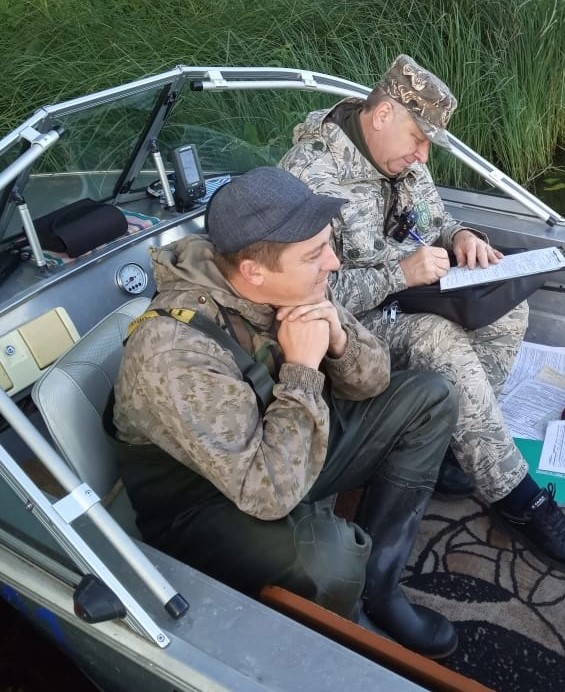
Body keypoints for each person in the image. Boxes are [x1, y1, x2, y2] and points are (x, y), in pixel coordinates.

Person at [108, 166, 461, 658]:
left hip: (282, 446)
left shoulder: (291, 278)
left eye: (327, 245)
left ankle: (380, 585)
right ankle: (343, 629)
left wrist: (338, 340)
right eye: (316, 255)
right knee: (331, 562)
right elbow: (267, 492)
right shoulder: (174, 350)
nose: (333, 263)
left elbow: (374, 381)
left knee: (431, 397)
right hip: (211, 502)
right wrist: (301, 370)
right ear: (253, 271)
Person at [279, 55, 565, 573]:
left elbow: (435, 219)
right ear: (382, 114)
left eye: (429, 143)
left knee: (508, 312)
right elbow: (303, 293)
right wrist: (399, 274)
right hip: (349, 326)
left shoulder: (398, 157)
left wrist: (461, 236)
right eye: (418, 138)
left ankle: (457, 447)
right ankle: (516, 498)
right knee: (437, 340)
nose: (422, 155)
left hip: (408, 297)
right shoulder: (309, 174)